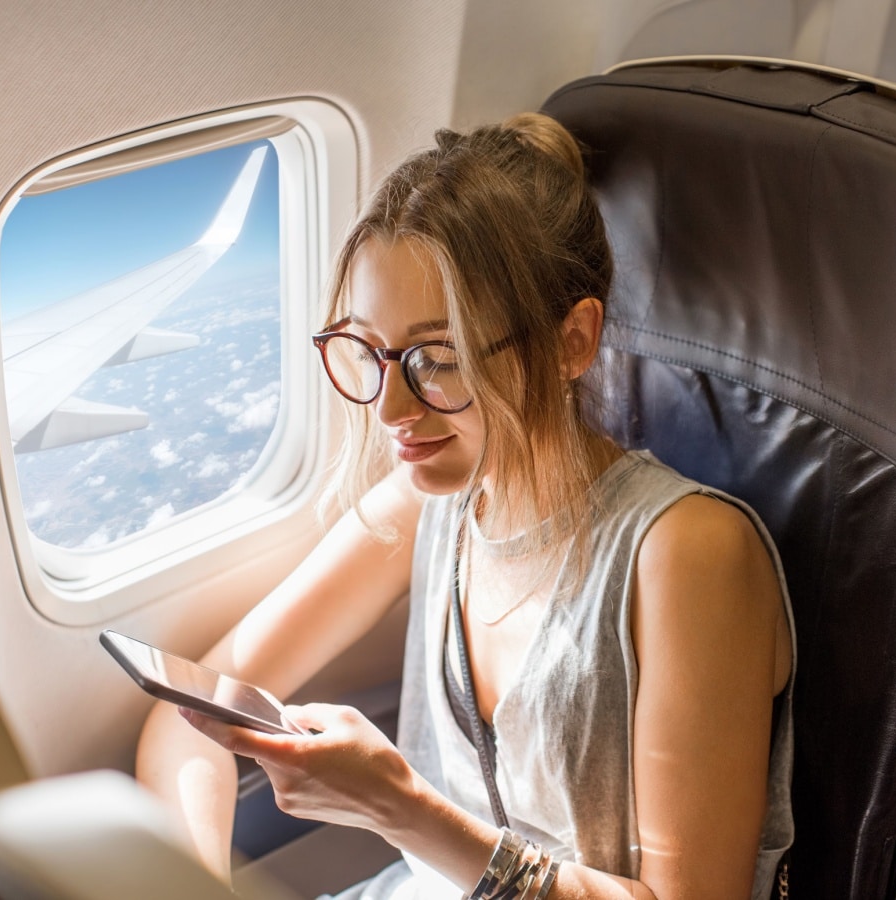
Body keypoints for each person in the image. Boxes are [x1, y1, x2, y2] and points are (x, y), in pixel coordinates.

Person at [136, 112, 795, 900]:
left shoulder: (687, 555)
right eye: (371, 353)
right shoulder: (424, 506)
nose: (390, 409)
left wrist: (402, 810)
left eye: (435, 360)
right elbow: (190, 710)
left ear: (571, 343)